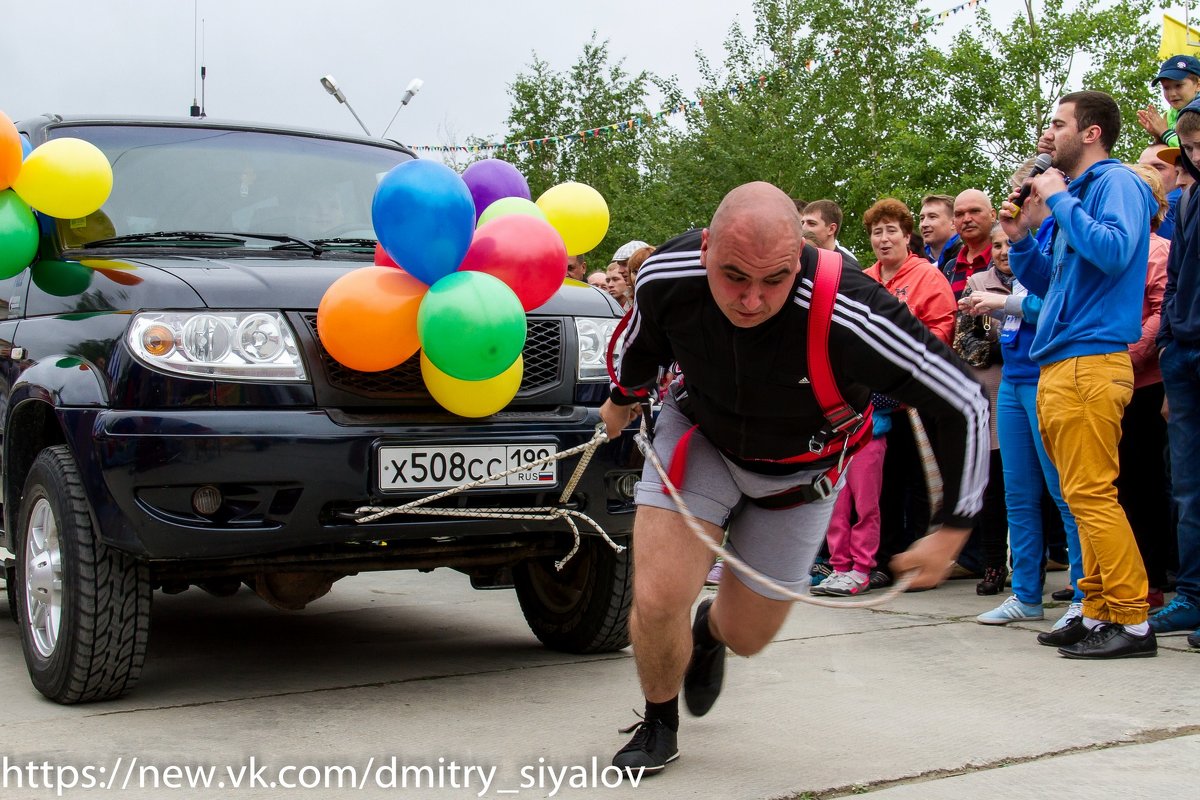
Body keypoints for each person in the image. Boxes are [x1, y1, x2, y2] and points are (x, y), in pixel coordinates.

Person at [601, 182, 989, 773]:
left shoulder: (851, 309)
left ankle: (711, 633)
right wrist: (622, 396)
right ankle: (659, 718)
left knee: (749, 635)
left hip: (799, 474)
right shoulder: (667, 274)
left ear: (800, 258)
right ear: (705, 250)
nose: (752, 300)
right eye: (734, 276)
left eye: (774, 280)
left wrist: (953, 526)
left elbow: (962, 398)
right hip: (700, 439)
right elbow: (640, 339)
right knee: (656, 599)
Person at [1002, 90, 1157, 659]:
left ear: (1090, 133)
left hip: (1092, 362)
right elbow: (1055, 284)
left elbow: (1115, 253)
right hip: (1061, 360)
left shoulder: (1118, 184)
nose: (1049, 133)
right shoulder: (1082, 194)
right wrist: (1021, 241)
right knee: (1077, 495)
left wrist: (1060, 199)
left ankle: (1133, 620)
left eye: (1058, 123)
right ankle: (1094, 609)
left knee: (1092, 494)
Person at [965, 167, 1086, 630]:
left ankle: (1082, 595)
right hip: (1013, 383)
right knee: (1018, 494)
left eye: (1026, 194)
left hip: (1046, 379)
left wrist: (1004, 304)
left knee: (1063, 493)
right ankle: (1026, 595)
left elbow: (1058, 304)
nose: (1017, 202)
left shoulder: (1059, 238)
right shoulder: (1022, 248)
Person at [1152, 96, 1200, 645]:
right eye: (1189, 148)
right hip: (1183, 354)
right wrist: (1167, 348)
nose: (1194, 156)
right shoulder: (1187, 203)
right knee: (1188, 487)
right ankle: (1192, 594)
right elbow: (1177, 283)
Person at [1118, 163, 1172, 611]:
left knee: (1144, 484)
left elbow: (1161, 310)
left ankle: (1152, 578)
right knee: (1110, 485)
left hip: (1145, 383)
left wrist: (1127, 354)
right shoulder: (1115, 248)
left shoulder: (1159, 249)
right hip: (1103, 381)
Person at [953, 223, 1013, 597]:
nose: (1003, 251)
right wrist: (1007, 348)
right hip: (990, 397)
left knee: (1029, 490)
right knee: (993, 491)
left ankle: (1030, 569)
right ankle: (993, 566)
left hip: (1032, 392)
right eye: (997, 245)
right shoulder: (977, 283)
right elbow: (963, 342)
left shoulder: (1039, 280)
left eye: (1009, 243)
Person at [1137, 55, 1200, 148]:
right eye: (1166, 88)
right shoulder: (1170, 115)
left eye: (1178, 86)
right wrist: (1158, 135)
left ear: (1198, 85)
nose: (1172, 94)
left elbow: (1192, 150)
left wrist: (1164, 132)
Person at [947, 189, 997, 298]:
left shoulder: (1008, 259)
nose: (966, 219)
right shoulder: (950, 268)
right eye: (959, 214)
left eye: (975, 211)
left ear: (992, 215)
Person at [800, 199, 861, 268]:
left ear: (831, 229)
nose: (803, 228)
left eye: (811, 223)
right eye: (802, 223)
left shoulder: (849, 266)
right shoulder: (797, 257)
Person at [1138, 145, 1180, 240]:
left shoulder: (1174, 204)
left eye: (1158, 167)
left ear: (1179, 171)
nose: (1149, 173)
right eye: (1142, 168)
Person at [919, 194, 963, 274]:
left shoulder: (967, 258)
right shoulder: (914, 260)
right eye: (922, 218)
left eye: (932, 217)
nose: (924, 224)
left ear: (953, 223)